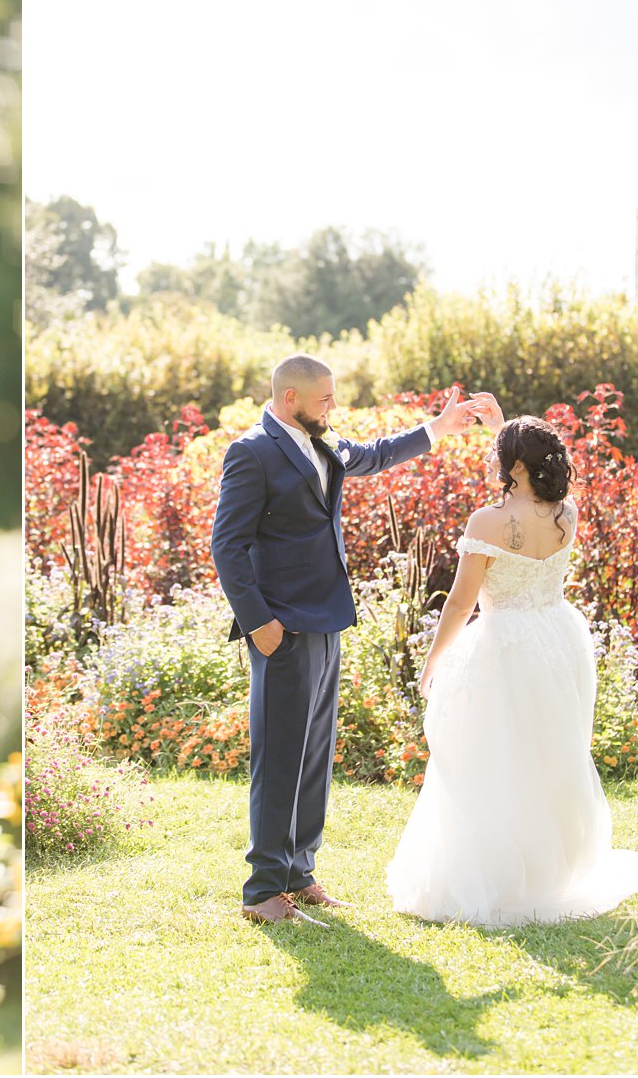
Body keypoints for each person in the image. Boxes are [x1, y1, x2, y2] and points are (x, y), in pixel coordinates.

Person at [386, 414, 638, 924]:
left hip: (506, 645)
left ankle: (501, 874)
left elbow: (459, 605)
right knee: (549, 755)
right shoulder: (567, 512)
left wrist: (435, 660)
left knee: (494, 757)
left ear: (513, 465)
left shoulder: (486, 523)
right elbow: (523, 487)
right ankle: (549, 871)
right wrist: (505, 430)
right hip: (559, 636)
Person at [210, 353, 493, 926]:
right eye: (325, 400)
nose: (333, 408)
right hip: (280, 627)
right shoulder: (252, 452)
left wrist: (436, 429)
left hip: (327, 618)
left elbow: (372, 456)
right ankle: (263, 891)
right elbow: (226, 545)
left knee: (314, 755)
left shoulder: (321, 438)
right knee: (280, 757)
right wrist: (259, 621)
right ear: (291, 399)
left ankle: (299, 874)